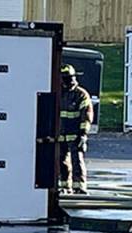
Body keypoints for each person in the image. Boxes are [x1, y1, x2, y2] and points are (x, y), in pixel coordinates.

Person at [59, 64, 93, 195]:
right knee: (62, 162)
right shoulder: (59, 93)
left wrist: (83, 134)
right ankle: (65, 186)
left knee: (77, 161)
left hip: (76, 134)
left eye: (69, 78)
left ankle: (80, 186)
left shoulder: (81, 94)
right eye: (65, 78)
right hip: (61, 135)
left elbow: (87, 115)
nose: (68, 81)